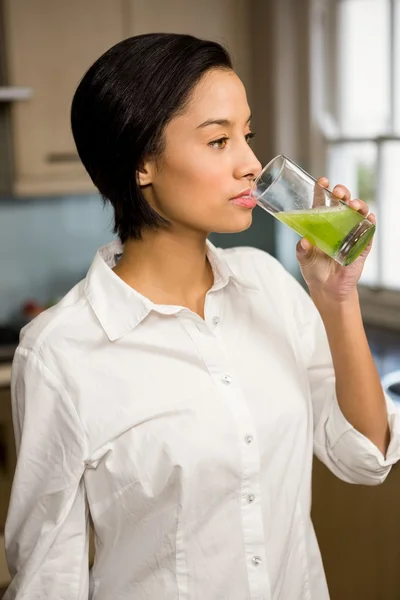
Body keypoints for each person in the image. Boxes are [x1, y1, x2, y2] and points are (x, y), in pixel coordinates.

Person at [4, 33, 400, 600]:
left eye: (248, 135)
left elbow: (365, 458)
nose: (251, 165)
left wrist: (337, 298)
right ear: (141, 163)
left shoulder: (268, 284)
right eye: (218, 141)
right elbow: (48, 580)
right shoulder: (60, 351)